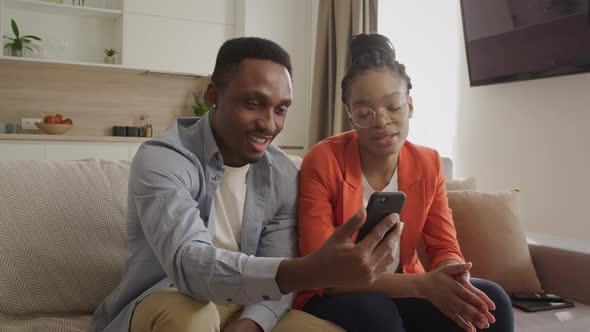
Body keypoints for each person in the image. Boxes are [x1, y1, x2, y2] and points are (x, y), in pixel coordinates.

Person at [91, 37, 399, 332]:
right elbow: (190, 266)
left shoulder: (284, 172)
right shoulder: (163, 158)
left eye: (281, 110)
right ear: (213, 96)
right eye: (253, 104)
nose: (268, 124)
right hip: (169, 296)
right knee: (191, 319)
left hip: (245, 304)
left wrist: (251, 324)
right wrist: (313, 269)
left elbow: (275, 265)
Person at [295, 34, 514, 332]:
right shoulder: (323, 160)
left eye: (393, 106)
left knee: (493, 300)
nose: (381, 121)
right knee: (378, 315)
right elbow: (322, 271)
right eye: (364, 112)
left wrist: (453, 276)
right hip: (336, 290)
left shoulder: (428, 163)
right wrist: (423, 286)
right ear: (350, 116)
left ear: (409, 105)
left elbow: (444, 246)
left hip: (407, 286)